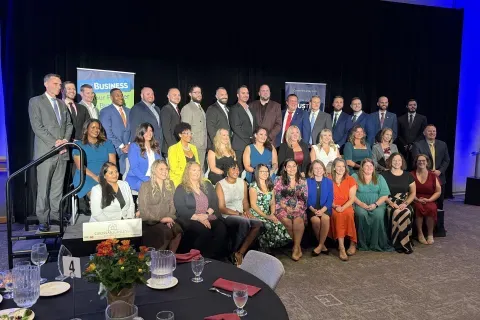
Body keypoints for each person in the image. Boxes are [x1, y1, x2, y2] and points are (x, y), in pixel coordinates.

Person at [28, 73, 73, 232]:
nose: (59, 87)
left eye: (60, 84)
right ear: (46, 84)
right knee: (44, 188)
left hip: (62, 152)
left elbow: (69, 125)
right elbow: (37, 127)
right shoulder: (35, 101)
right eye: (56, 84)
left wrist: (64, 141)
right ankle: (43, 219)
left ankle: (55, 216)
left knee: (57, 188)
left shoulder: (62, 104)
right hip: (46, 152)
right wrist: (55, 142)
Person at [173, 162, 227, 259]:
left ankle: (215, 259)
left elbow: (214, 202)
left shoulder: (207, 185)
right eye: (194, 170)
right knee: (204, 231)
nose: (196, 172)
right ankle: (199, 258)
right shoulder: (181, 188)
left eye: (198, 170)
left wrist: (205, 215)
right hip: (190, 218)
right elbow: (181, 209)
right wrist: (198, 218)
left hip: (208, 215)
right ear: (187, 172)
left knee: (221, 229)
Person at [216, 162, 263, 266]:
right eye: (233, 169)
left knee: (257, 223)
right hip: (228, 215)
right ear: (227, 171)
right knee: (244, 222)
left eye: (238, 169)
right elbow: (222, 208)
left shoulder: (242, 182)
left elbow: (245, 202)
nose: (236, 171)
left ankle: (239, 253)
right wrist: (238, 213)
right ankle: (232, 252)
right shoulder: (220, 185)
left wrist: (248, 212)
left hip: (241, 213)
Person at [411, 124, 450, 237]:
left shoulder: (443, 144)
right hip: (423, 177)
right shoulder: (418, 145)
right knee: (420, 207)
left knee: (439, 205)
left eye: (434, 131)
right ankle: (420, 231)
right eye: (429, 131)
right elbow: (418, 160)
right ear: (424, 133)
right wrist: (428, 171)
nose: (432, 133)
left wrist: (439, 171)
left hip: (439, 177)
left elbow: (447, 160)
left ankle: (437, 229)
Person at [138, 160, 182, 252]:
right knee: (166, 233)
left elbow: (173, 204)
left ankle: (170, 258)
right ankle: (157, 258)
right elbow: (143, 210)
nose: (164, 171)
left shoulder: (170, 184)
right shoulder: (145, 186)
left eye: (166, 169)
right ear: (154, 170)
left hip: (167, 219)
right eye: (161, 169)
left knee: (178, 230)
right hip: (150, 221)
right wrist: (161, 219)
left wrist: (169, 217)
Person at [352, 158, 392, 252]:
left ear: (374, 167)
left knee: (378, 215)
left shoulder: (379, 177)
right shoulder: (354, 176)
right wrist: (361, 204)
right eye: (366, 165)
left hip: (377, 204)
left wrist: (375, 204)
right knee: (361, 214)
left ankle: (376, 243)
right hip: (359, 203)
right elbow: (351, 194)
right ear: (362, 167)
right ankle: (363, 243)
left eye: (371, 165)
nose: (369, 167)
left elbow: (384, 194)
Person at [72, 119, 116, 202]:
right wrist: (95, 177)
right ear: (86, 129)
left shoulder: (107, 143)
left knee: (115, 198)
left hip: (105, 175)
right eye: (93, 127)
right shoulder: (78, 145)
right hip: (85, 176)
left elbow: (112, 163)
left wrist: (105, 176)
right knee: (98, 198)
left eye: (98, 128)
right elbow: (80, 166)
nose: (96, 130)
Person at [249, 164, 291, 250]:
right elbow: (253, 205)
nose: (265, 173)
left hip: (267, 213)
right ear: (257, 173)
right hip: (256, 213)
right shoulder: (253, 186)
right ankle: (263, 249)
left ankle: (270, 247)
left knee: (278, 224)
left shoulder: (270, 185)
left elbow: (272, 202)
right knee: (268, 225)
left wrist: (272, 214)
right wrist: (267, 216)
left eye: (266, 171)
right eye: (262, 171)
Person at [274, 159, 308, 261]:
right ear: (285, 168)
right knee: (287, 222)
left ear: (297, 167)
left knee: (298, 221)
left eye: (294, 166)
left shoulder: (302, 180)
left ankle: (295, 247)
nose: (291, 168)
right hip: (281, 206)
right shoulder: (278, 179)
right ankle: (298, 247)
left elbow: (304, 197)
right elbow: (276, 197)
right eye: (289, 166)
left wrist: (297, 207)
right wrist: (285, 207)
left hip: (298, 206)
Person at [382, 153, 416, 253]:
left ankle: (400, 242)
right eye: (394, 160)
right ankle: (403, 242)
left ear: (402, 162)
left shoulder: (408, 175)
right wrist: (391, 203)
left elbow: (413, 192)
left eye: (399, 160)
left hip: (404, 201)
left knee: (405, 211)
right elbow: (382, 192)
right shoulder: (383, 175)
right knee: (398, 212)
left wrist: (405, 203)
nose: (397, 162)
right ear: (390, 162)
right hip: (389, 201)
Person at [411, 154, 441, 245]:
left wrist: (429, 200)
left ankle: (430, 234)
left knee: (431, 208)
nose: (421, 162)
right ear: (416, 162)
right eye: (419, 160)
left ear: (427, 162)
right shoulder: (411, 174)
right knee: (419, 207)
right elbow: (409, 191)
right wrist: (417, 199)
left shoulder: (432, 175)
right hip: (415, 198)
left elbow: (438, 192)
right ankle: (420, 234)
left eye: (423, 160)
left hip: (429, 199)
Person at [330, 158, 357, 261]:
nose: (341, 168)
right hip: (333, 205)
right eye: (338, 166)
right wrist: (335, 206)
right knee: (338, 215)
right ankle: (341, 247)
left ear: (346, 168)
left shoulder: (350, 179)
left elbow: (352, 199)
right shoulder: (329, 179)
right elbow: (328, 197)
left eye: (343, 166)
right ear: (334, 168)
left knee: (349, 214)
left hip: (347, 205)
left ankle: (352, 243)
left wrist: (343, 207)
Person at [99, 88, 131, 174]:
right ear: (111, 97)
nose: (120, 97)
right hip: (115, 150)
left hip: (129, 150)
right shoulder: (105, 111)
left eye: (121, 95)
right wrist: (121, 146)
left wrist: (129, 144)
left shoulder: (129, 111)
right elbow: (107, 132)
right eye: (117, 95)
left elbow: (133, 129)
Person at [306, 160, 333, 256]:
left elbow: (330, 199)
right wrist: (313, 209)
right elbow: (306, 198)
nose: (318, 170)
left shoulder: (329, 182)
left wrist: (322, 210)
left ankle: (320, 245)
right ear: (312, 170)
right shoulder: (307, 182)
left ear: (324, 169)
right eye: (315, 168)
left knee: (326, 218)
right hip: (312, 208)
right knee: (316, 221)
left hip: (325, 208)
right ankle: (323, 246)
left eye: (320, 168)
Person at [125, 123, 162, 191]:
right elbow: (134, 168)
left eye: (150, 131)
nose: (149, 133)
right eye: (146, 131)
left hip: (155, 178)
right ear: (141, 132)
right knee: (152, 189)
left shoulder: (155, 146)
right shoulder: (134, 146)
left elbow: (161, 164)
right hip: (137, 179)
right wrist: (148, 180)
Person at [229, 85, 257, 172]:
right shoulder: (234, 109)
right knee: (239, 171)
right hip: (240, 145)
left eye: (247, 93)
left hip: (251, 144)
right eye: (243, 93)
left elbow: (254, 127)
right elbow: (236, 127)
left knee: (249, 171)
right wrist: (249, 139)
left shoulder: (250, 109)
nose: (246, 95)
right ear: (238, 95)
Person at [181, 85, 208, 172]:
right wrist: (188, 147)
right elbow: (185, 130)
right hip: (193, 146)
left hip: (202, 146)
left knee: (200, 171)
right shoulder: (187, 108)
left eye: (199, 92)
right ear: (190, 94)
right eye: (195, 92)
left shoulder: (200, 108)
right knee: (193, 171)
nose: (198, 94)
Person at [397, 99, 428, 169]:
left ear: (416, 106)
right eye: (410, 105)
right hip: (403, 148)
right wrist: (404, 144)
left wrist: (414, 144)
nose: (412, 106)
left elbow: (423, 133)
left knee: (415, 167)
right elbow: (398, 134)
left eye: (414, 105)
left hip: (417, 147)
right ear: (407, 106)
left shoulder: (422, 118)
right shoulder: (400, 119)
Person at [168, 122, 200, 187]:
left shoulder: (193, 148)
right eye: (187, 133)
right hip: (179, 179)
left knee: (207, 184)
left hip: (194, 177)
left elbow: (198, 164)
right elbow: (174, 169)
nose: (190, 135)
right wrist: (189, 175)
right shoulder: (173, 149)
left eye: (190, 133)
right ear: (180, 135)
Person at [160, 88, 182, 157]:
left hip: (177, 146)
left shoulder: (177, 109)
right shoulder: (166, 109)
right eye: (174, 95)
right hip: (170, 148)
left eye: (179, 95)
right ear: (168, 96)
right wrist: (173, 147)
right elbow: (166, 130)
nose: (177, 97)